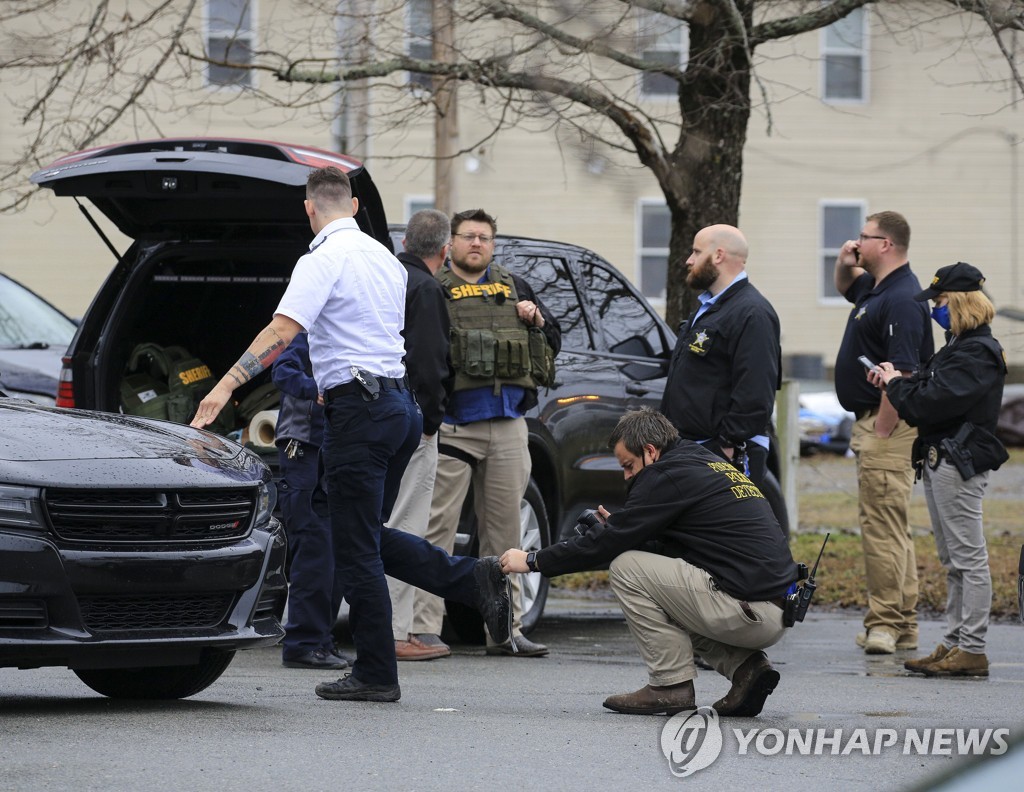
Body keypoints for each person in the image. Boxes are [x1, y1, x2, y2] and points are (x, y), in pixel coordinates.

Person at [190, 166, 511, 702]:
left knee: (356, 548)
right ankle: (471, 580)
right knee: (360, 536)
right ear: (357, 207)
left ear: (310, 209)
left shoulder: (322, 258)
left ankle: (377, 673)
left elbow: (282, 331)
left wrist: (224, 387)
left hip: (359, 414)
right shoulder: (385, 259)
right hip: (397, 410)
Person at [500, 408, 799, 715]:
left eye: (628, 466)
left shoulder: (663, 474)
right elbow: (676, 548)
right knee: (662, 588)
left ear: (650, 451)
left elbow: (606, 546)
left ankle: (670, 686)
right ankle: (748, 670)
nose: (627, 476)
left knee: (627, 569)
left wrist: (534, 560)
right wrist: (625, 529)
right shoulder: (702, 461)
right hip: (773, 608)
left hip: (748, 610)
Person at [420, 208, 561, 657]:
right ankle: (423, 629)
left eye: (484, 237)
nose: (476, 244)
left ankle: (506, 632)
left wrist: (536, 318)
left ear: (493, 245)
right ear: (451, 244)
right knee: (435, 532)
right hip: (455, 428)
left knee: (506, 538)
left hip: (508, 427)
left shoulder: (516, 287)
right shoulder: (434, 289)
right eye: (467, 237)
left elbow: (552, 340)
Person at [867, 262, 1008, 678]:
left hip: (957, 460)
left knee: (968, 557)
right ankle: (954, 642)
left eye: (941, 301)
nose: (936, 309)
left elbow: (928, 402)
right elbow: (923, 394)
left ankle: (974, 648)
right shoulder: (958, 348)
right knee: (953, 558)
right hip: (940, 458)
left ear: (962, 302)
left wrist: (896, 385)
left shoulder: (976, 352)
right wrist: (898, 383)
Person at [833, 210, 933, 656]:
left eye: (863, 237)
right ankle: (903, 624)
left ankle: (886, 625)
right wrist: (844, 259)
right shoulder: (877, 289)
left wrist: (883, 430)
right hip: (876, 419)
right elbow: (843, 285)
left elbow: (905, 372)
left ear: (885, 244)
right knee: (893, 527)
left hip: (887, 423)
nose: (857, 242)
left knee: (882, 528)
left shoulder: (903, 299)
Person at [385, 209, 456, 661]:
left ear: (406, 241)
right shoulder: (426, 288)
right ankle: (393, 632)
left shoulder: (382, 276)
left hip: (370, 415)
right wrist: (431, 423)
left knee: (371, 522)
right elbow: (429, 365)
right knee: (406, 527)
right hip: (411, 422)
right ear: (445, 251)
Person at [661, 224, 781, 487]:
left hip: (722, 455)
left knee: (721, 530)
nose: (688, 260)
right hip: (691, 450)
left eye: (696, 252)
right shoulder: (710, 308)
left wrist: (726, 446)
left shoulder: (752, 313)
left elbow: (756, 392)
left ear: (718, 255)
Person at [272, 332, 347, 670]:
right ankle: (302, 643)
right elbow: (282, 371)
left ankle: (321, 640)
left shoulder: (357, 336)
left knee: (334, 553)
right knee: (315, 550)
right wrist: (315, 390)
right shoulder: (308, 334)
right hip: (304, 451)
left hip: (335, 451)